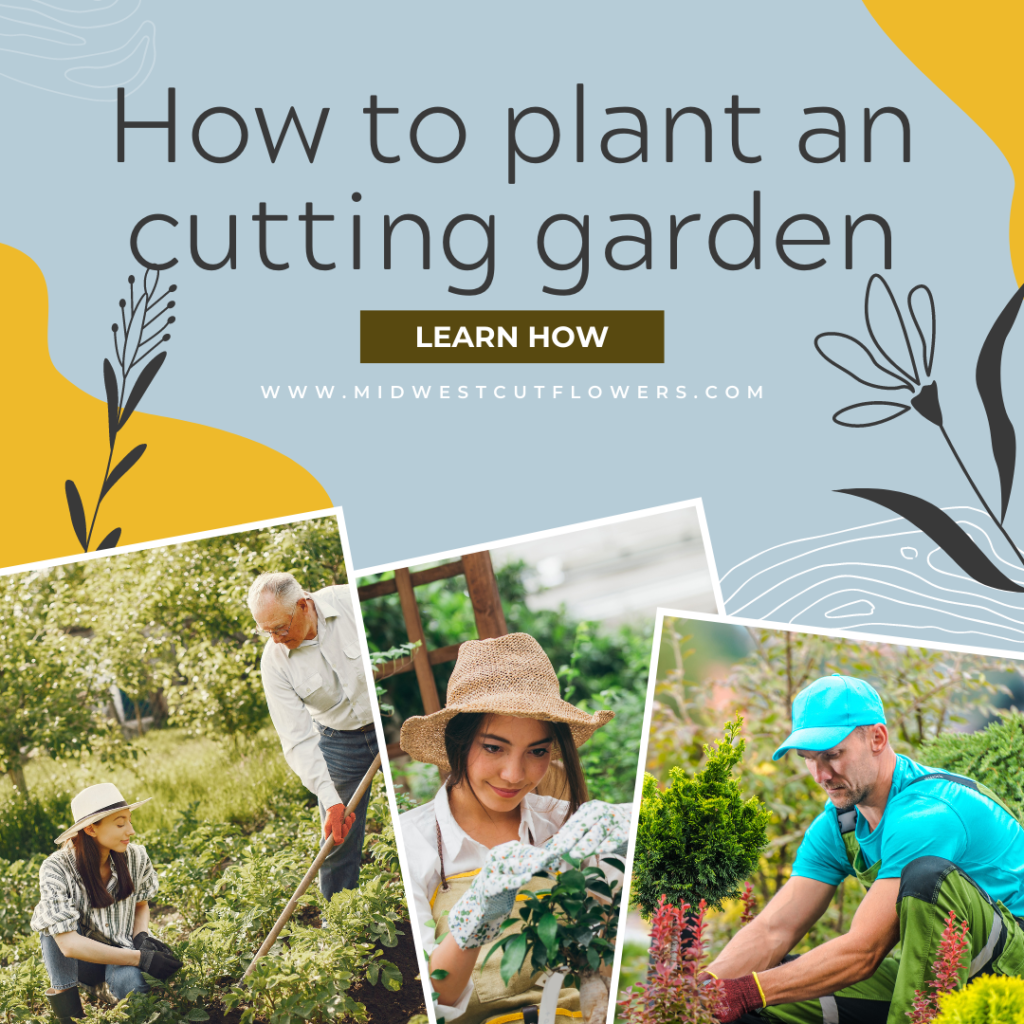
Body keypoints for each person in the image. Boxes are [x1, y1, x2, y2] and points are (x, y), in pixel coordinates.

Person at [705, 673, 1024, 1024]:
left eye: (832, 754)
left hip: (1008, 968)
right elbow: (773, 929)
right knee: (761, 1000)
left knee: (925, 876)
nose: (820, 774)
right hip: (928, 969)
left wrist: (748, 990)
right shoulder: (841, 823)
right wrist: (701, 991)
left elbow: (864, 951)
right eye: (808, 758)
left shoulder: (928, 813)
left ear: (877, 737)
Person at [398, 632, 631, 1024]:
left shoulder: (568, 823)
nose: (514, 774)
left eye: (537, 752)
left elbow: (619, 938)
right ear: (459, 742)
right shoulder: (414, 841)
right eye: (493, 747)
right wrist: (477, 911)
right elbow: (432, 999)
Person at [247, 571, 378, 900]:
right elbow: (297, 738)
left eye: (280, 628)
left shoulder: (349, 601)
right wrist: (330, 799)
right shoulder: (274, 662)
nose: (275, 638)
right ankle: (339, 925)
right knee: (338, 838)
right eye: (267, 631)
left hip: (387, 720)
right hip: (340, 741)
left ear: (304, 606)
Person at [31, 783, 182, 1023]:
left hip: (121, 951)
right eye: (121, 824)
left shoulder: (135, 856)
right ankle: (69, 1015)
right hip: (81, 963)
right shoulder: (56, 868)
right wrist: (141, 958)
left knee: (134, 985)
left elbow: (141, 904)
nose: (130, 830)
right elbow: (68, 945)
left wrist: (141, 937)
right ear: (91, 829)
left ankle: (105, 990)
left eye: (129, 821)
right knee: (52, 924)